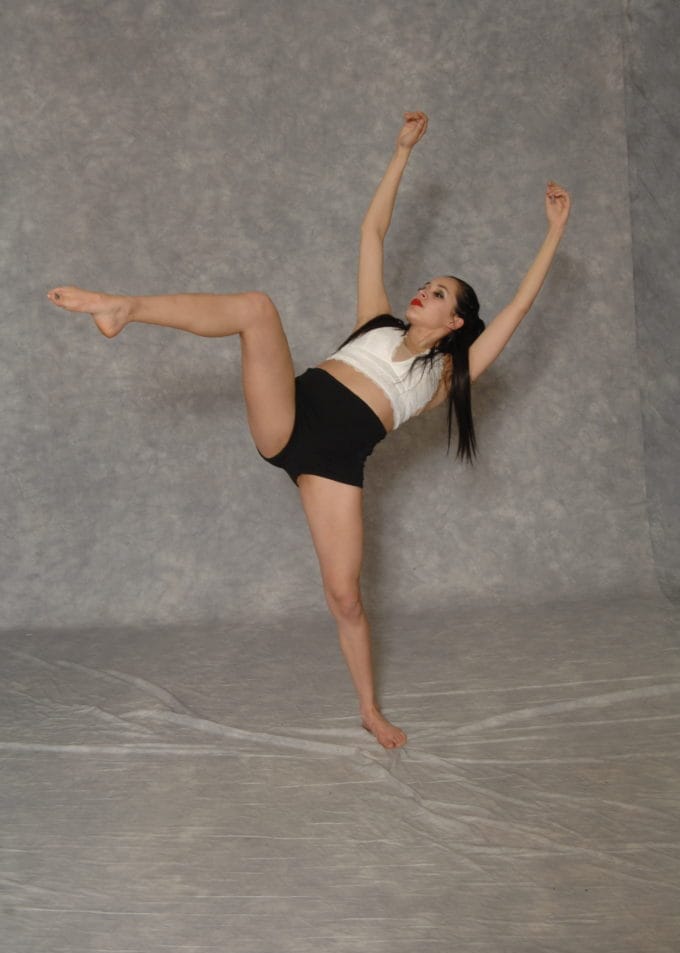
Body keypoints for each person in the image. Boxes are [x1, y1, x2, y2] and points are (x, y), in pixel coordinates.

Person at [47, 111, 571, 750]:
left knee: (345, 597)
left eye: (438, 294)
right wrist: (401, 152)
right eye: (425, 285)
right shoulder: (375, 321)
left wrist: (554, 232)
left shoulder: (441, 380)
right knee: (257, 308)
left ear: (456, 323)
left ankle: (369, 710)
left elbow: (518, 307)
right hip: (288, 414)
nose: (423, 292)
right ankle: (124, 307)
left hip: (333, 465)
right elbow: (372, 232)